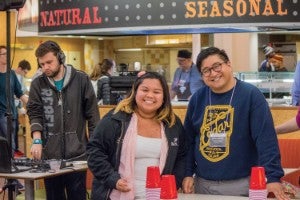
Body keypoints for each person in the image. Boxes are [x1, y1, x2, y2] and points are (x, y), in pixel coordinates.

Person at [182, 47, 288, 200]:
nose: (213, 73)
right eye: (206, 70)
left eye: (217, 66)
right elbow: (189, 140)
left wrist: (273, 178)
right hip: (202, 184)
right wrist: (187, 173)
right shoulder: (197, 98)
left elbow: (266, 139)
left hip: (242, 185)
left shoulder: (251, 95)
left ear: (229, 64)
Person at [86, 71, 186, 199]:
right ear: (135, 92)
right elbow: (94, 151)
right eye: (144, 90)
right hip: (117, 195)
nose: (150, 95)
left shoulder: (172, 122)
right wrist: (112, 179)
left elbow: (182, 155)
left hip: (159, 197)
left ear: (164, 97)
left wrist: (172, 184)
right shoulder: (115, 118)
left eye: (156, 92)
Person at [26, 40, 100, 200]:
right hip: (50, 158)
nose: (46, 67)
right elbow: (34, 112)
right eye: (42, 64)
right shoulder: (38, 83)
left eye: (49, 62)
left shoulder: (81, 79)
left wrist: (94, 147)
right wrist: (37, 140)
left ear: (60, 57)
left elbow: (93, 116)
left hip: (77, 157)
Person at [0, 45, 28, 155]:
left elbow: (19, 93)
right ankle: (7, 164)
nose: (7, 56)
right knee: (7, 140)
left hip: (12, 113)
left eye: (8, 54)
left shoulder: (11, 74)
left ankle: (9, 164)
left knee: (11, 141)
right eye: (4, 54)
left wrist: (31, 104)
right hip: (1, 113)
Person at [13, 59, 31, 157]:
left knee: (15, 128)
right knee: (12, 128)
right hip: (10, 107)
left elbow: (21, 93)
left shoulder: (20, 78)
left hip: (16, 107)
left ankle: (15, 149)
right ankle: (13, 150)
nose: (24, 75)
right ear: (19, 68)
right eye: (24, 72)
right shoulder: (12, 76)